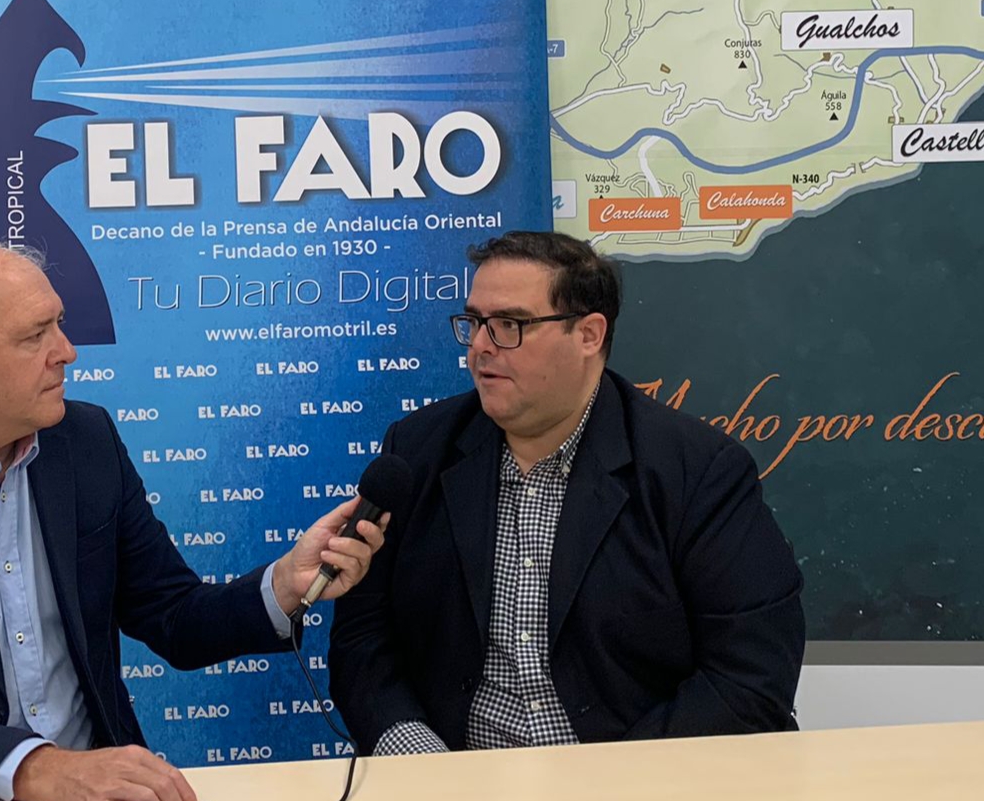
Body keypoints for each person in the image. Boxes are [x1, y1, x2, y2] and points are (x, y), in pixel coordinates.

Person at [0, 239, 384, 801]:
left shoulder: (86, 442)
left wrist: (285, 585)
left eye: (60, 325)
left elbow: (172, 614)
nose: (66, 351)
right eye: (34, 335)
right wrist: (43, 771)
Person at [330, 230, 804, 754]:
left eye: (510, 325)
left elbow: (750, 675)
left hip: (636, 780)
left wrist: (606, 785)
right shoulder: (417, 451)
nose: (481, 346)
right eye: (475, 322)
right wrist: (421, 758)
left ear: (589, 335)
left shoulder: (697, 471)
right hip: (458, 782)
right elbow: (363, 638)